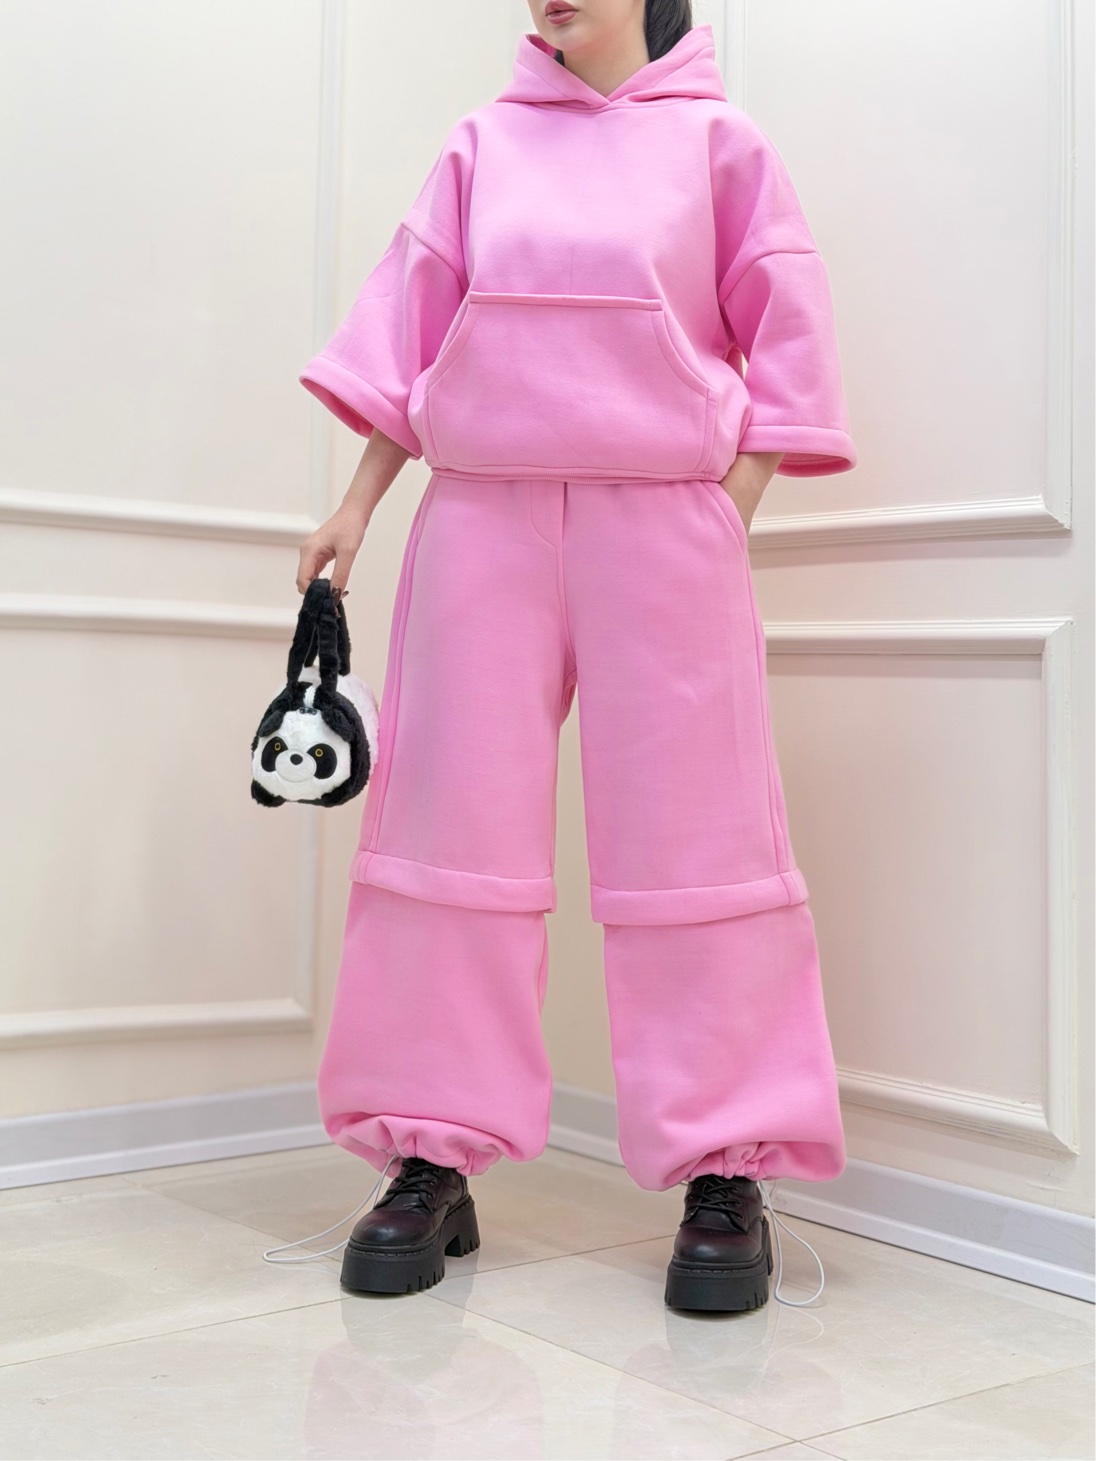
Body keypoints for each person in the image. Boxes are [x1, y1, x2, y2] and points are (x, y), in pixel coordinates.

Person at [293, 0, 856, 1313]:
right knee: (447, 830)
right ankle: (431, 1149)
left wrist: (728, 504)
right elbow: (410, 333)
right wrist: (357, 505)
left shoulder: (720, 145)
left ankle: (727, 1166)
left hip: (664, 523)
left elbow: (790, 334)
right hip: (481, 514)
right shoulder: (481, 144)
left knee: (702, 837)